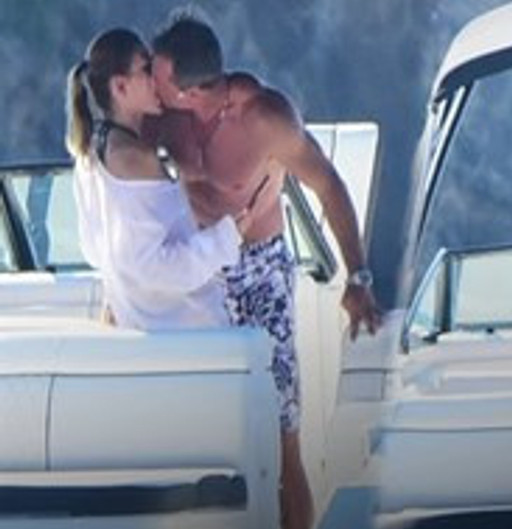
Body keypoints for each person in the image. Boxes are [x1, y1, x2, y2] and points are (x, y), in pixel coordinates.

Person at [146, 13, 382, 529]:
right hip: (198, 273)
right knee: (205, 429)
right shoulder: (163, 118)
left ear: (186, 88)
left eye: (156, 75)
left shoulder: (265, 118)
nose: (149, 82)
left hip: (260, 272)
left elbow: (329, 184)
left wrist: (357, 278)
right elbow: (109, 150)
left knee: (281, 434)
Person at [66, 28, 248, 330]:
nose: (157, 79)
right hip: (185, 332)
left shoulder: (89, 155)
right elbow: (153, 267)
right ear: (120, 86)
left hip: (143, 328)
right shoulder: (134, 159)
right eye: (146, 69)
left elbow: (100, 251)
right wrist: (227, 236)